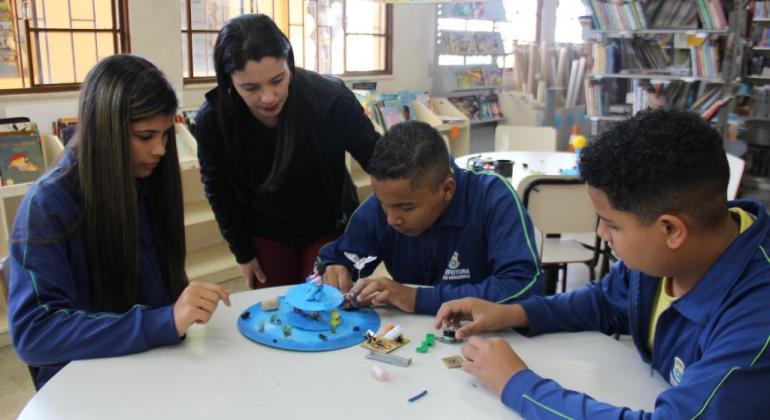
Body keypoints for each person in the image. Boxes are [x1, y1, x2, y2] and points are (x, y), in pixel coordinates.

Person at [434, 109, 770, 418]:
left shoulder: (756, 319)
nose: (600, 233)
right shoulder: (664, 259)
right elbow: (604, 301)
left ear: (671, 229)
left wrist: (517, 383)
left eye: (611, 224)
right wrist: (512, 313)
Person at [7, 55, 231, 389]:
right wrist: (162, 321)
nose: (160, 149)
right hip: (86, 386)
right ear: (105, 132)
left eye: (166, 135)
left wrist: (179, 310)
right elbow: (35, 333)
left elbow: (158, 293)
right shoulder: (46, 206)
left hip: (150, 366)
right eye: (145, 136)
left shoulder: (145, 180)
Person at [195, 14, 379, 289]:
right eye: (250, 88)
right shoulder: (213, 119)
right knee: (272, 315)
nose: (268, 97)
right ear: (228, 81)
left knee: (325, 309)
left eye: (278, 80)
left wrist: (359, 241)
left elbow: (380, 161)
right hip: (263, 231)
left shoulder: (329, 99)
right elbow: (217, 189)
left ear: (289, 64)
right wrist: (242, 253)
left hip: (327, 224)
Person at [319, 121, 541, 315]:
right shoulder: (383, 206)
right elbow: (341, 257)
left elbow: (521, 286)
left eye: (405, 208)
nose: (391, 219)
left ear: (447, 190)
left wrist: (417, 299)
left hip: (487, 338)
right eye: (383, 205)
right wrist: (335, 269)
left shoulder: (493, 198)